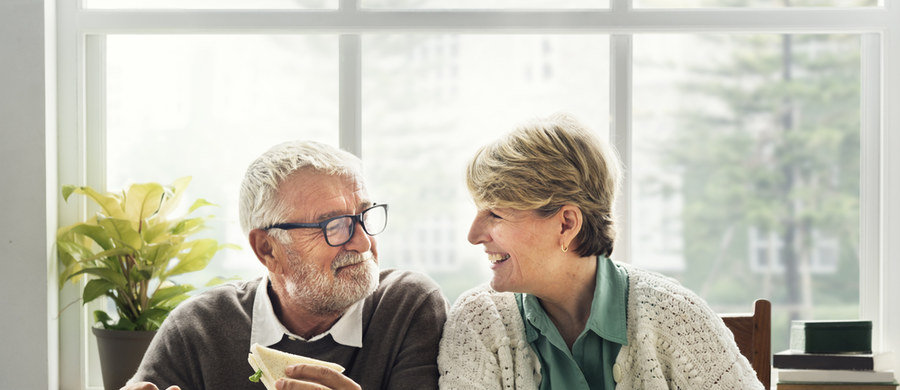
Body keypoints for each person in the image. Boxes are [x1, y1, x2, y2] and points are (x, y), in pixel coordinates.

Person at [437, 113, 763, 389]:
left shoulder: (677, 316)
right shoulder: (478, 323)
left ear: (566, 224)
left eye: (495, 214)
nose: (474, 235)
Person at [125, 140, 448, 390]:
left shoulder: (408, 306)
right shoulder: (198, 328)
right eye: (333, 225)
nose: (363, 243)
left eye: (363, 216)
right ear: (267, 249)